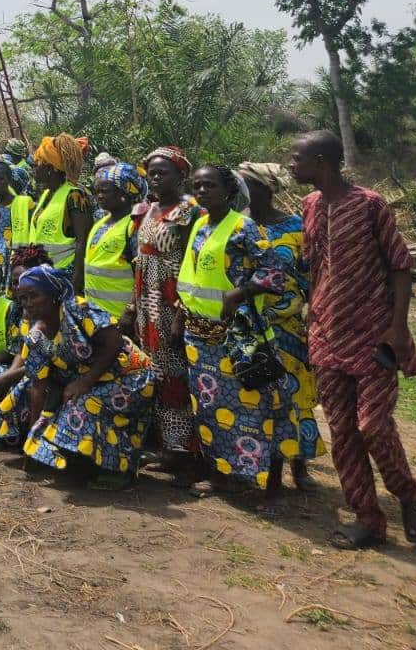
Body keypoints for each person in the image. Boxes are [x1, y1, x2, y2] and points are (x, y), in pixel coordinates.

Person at [291, 130, 416, 549]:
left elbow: (400, 266)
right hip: (325, 334)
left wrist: (398, 328)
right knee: (342, 430)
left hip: (372, 334)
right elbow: (315, 268)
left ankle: (409, 495)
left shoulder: (371, 204)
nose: (291, 165)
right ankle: (368, 520)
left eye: (297, 158)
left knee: (372, 425)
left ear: (321, 161)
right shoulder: (309, 205)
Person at [177, 165, 286, 493]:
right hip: (200, 335)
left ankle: (252, 477)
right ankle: (220, 473)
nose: (202, 191)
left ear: (228, 190)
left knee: (246, 405)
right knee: (209, 408)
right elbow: (193, 278)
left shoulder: (244, 227)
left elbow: (274, 272)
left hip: (236, 335)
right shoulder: (199, 224)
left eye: (209, 185)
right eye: (197, 186)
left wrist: (239, 293)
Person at [5, 264, 156, 486]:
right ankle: (82, 461)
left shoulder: (77, 309)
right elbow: (38, 385)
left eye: (34, 296)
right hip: (90, 380)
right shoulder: (34, 334)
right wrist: (32, 439)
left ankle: (119, 471)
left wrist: (85, 382)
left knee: (83, 404)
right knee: (25, 393)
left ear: (53, 295)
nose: (28, 303)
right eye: (23, 298)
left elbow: (114, 343)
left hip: (130, 375)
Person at [236, 161, 318, 492]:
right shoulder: (236, 225)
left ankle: (299, 465)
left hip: (287, 327)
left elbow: (311, 276)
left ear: (265, 189)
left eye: (246, 184)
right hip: (247, 325)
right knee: (257, 395)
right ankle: (265, 468)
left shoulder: (296, 228)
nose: (240, 190)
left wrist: (314, 315)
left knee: (295, 394)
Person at [130, 146, 202, 486]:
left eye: (163, 172)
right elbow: (140, 260)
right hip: (147, 305)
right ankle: (168, 450)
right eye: (152, 173)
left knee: (176, 379)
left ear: (180, 175)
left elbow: (192, 263)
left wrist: (180, 316)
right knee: (156, 376)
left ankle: (188, 456)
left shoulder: (190, 211)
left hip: (171, 303)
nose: (156, 178)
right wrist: (134, 306)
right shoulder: (149, 209)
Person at [26, 134, 93, 277]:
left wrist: (76, 281)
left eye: (38, 163)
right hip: (43, 274)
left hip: (63, 274)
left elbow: (83, 242)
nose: (33, 168)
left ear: (51, 168)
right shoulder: (46, 195)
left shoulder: (75, 196)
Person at [80, 163, 141, 318]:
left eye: (105, 191)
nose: (99, 196)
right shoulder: (100, 224)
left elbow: (142, 275)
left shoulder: (133, 225)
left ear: (123, 192)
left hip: (119, 315)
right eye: (97, 192)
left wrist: (130, 311)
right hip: (95, 315)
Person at [0, 155, 34, 289]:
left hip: (16, 260)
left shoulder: (24, 203)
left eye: (0, 179)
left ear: (8, 179)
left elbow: (33, 235)